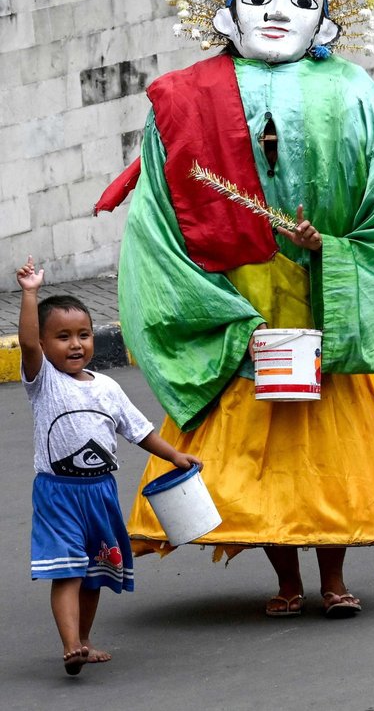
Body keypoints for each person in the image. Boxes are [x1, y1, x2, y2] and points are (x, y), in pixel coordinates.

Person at [96, 0, 374, 619]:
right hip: (241, 296)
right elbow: (159, 216)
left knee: (325, 444)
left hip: (326, 293)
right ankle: (287, 579)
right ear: (227, 15)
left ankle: (333, 577)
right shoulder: (184, 99)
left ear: (324, 26)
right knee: (257, 446)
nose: (275, 13)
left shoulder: (352, 91)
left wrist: (339, 248)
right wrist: (201, 295)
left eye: (300, 0)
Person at [16, 255, 202, 675]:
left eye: (83, 334)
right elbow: (26, 343)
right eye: (62, 337)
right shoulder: (43, 381)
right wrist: (30, 294)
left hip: (100, 492)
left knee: (95, 571)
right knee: (66, 571)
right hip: (57, 492)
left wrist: (174, 455)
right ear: (44, 347)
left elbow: (139, 431)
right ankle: (69, 645)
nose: (76, 344)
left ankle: (83, 640)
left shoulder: (108, 388)